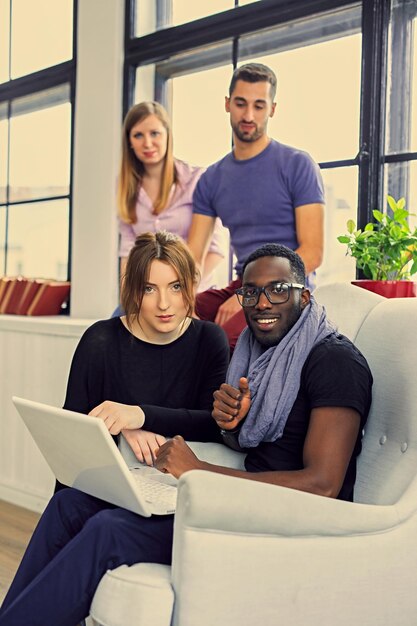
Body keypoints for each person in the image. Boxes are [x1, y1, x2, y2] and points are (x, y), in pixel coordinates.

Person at [0, 231, 229, 626]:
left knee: (99, 525)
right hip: (117, 487)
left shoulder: (209, 339)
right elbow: (72, 442)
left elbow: (213, 425)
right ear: (131, 290)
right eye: (149, 288)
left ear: (191, 284)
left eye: (176, 286)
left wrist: (140, 415)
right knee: (65, 504)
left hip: (174, 495)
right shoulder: (100, 341)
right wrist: (121, 430)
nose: (164, 303)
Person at [156, 243, 372, 501]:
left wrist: (199, 472)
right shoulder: (257, 356)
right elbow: (257, 447)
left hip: (292, 523)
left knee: (115, 528)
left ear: (303, 298)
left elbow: (322, 486)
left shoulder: (336, 362)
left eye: (277, 290)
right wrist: (233, 426)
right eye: (251, 292)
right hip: (246, 502)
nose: (261, 303)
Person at [188, 63, 325, 350]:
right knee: (169, 321)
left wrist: (252, 293)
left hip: (288, 287)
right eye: (240, 104)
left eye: (259, 106)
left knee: (228, 338)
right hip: (243, 283)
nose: (249, 115)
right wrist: (179, 300)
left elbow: (312, 252)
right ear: (227, 104)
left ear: (272, 109)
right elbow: (192, 257)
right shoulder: (211, 178)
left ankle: (225, 397)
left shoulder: (298, 165)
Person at [118, 101, 224, 295]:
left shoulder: (197, 180)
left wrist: (181, 291)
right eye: (138, 135)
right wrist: (129, 297)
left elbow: (215, 251)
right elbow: (128, 253)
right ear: (129, 142)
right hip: (148, 295)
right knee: (112, 325)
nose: (147, 143)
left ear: (168, 135)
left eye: (155, 133)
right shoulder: (125, 187)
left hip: (195, 292)